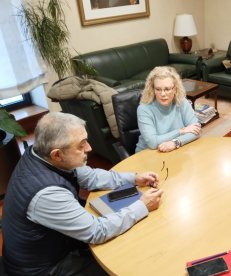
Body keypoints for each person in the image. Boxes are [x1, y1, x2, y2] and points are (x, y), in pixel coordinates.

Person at [2, 112, 164, 275]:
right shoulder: (47, 194)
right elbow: (97, 231)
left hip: (57, 244)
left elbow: (91, 177)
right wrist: (142, 205)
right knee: (127, 264)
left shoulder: (40, 153)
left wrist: (134, 178)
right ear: (57, 154)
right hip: (45, 268)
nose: (89, 148)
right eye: (81, 145)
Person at [136, 66, 201, 153]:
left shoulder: (181, 102)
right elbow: (153, 143)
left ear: (175, 89)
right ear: (153, 90)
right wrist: (181, 131)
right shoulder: (144, 109)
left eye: (167, 89)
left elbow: (196, 130)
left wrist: (175, 143)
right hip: (147, 154)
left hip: (173, 151)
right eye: (158, 89)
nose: (163, 94)